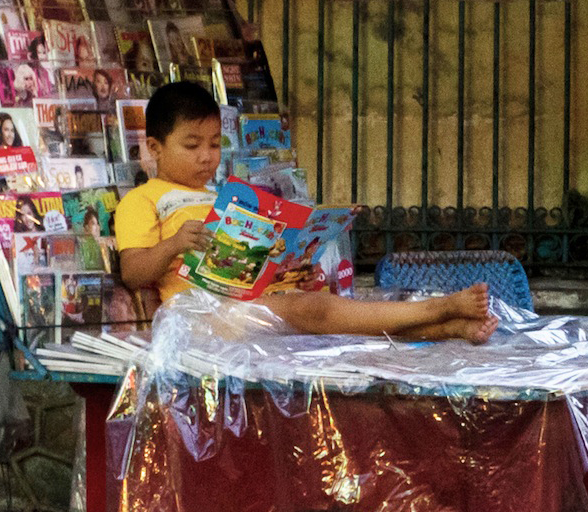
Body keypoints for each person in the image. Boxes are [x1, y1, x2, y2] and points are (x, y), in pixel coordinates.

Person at [111, 80, 493, 343]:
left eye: (214, 144)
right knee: (318, 312)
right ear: (155, 147)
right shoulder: (143, 200)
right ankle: (439, 308)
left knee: (326, 316)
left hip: (247, 303)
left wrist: (290, 269)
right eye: (191, 145)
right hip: (199, 316)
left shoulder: (223, 195)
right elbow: (132, 273)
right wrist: (174, 243)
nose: (207, 156)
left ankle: (447, 329)